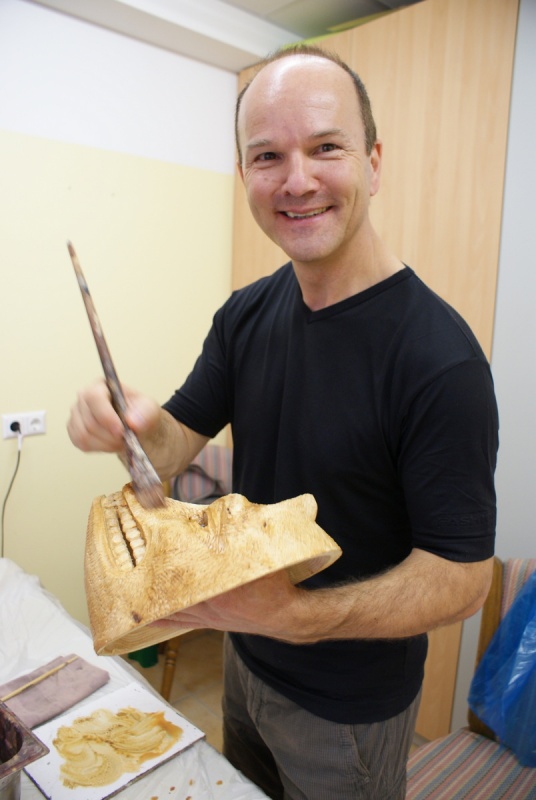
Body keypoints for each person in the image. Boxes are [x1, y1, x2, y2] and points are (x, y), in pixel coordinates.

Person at [68, 44, 499, 800]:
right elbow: (171, 449)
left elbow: (461, 581)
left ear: (373, 162)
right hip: (248, 659)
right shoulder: (246, 314)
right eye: (268, 155)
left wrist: (296, 616)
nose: (296, 181)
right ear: (245, 175)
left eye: (326, 147)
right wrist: (130, 427)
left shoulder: (439, 359)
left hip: (349, 711)